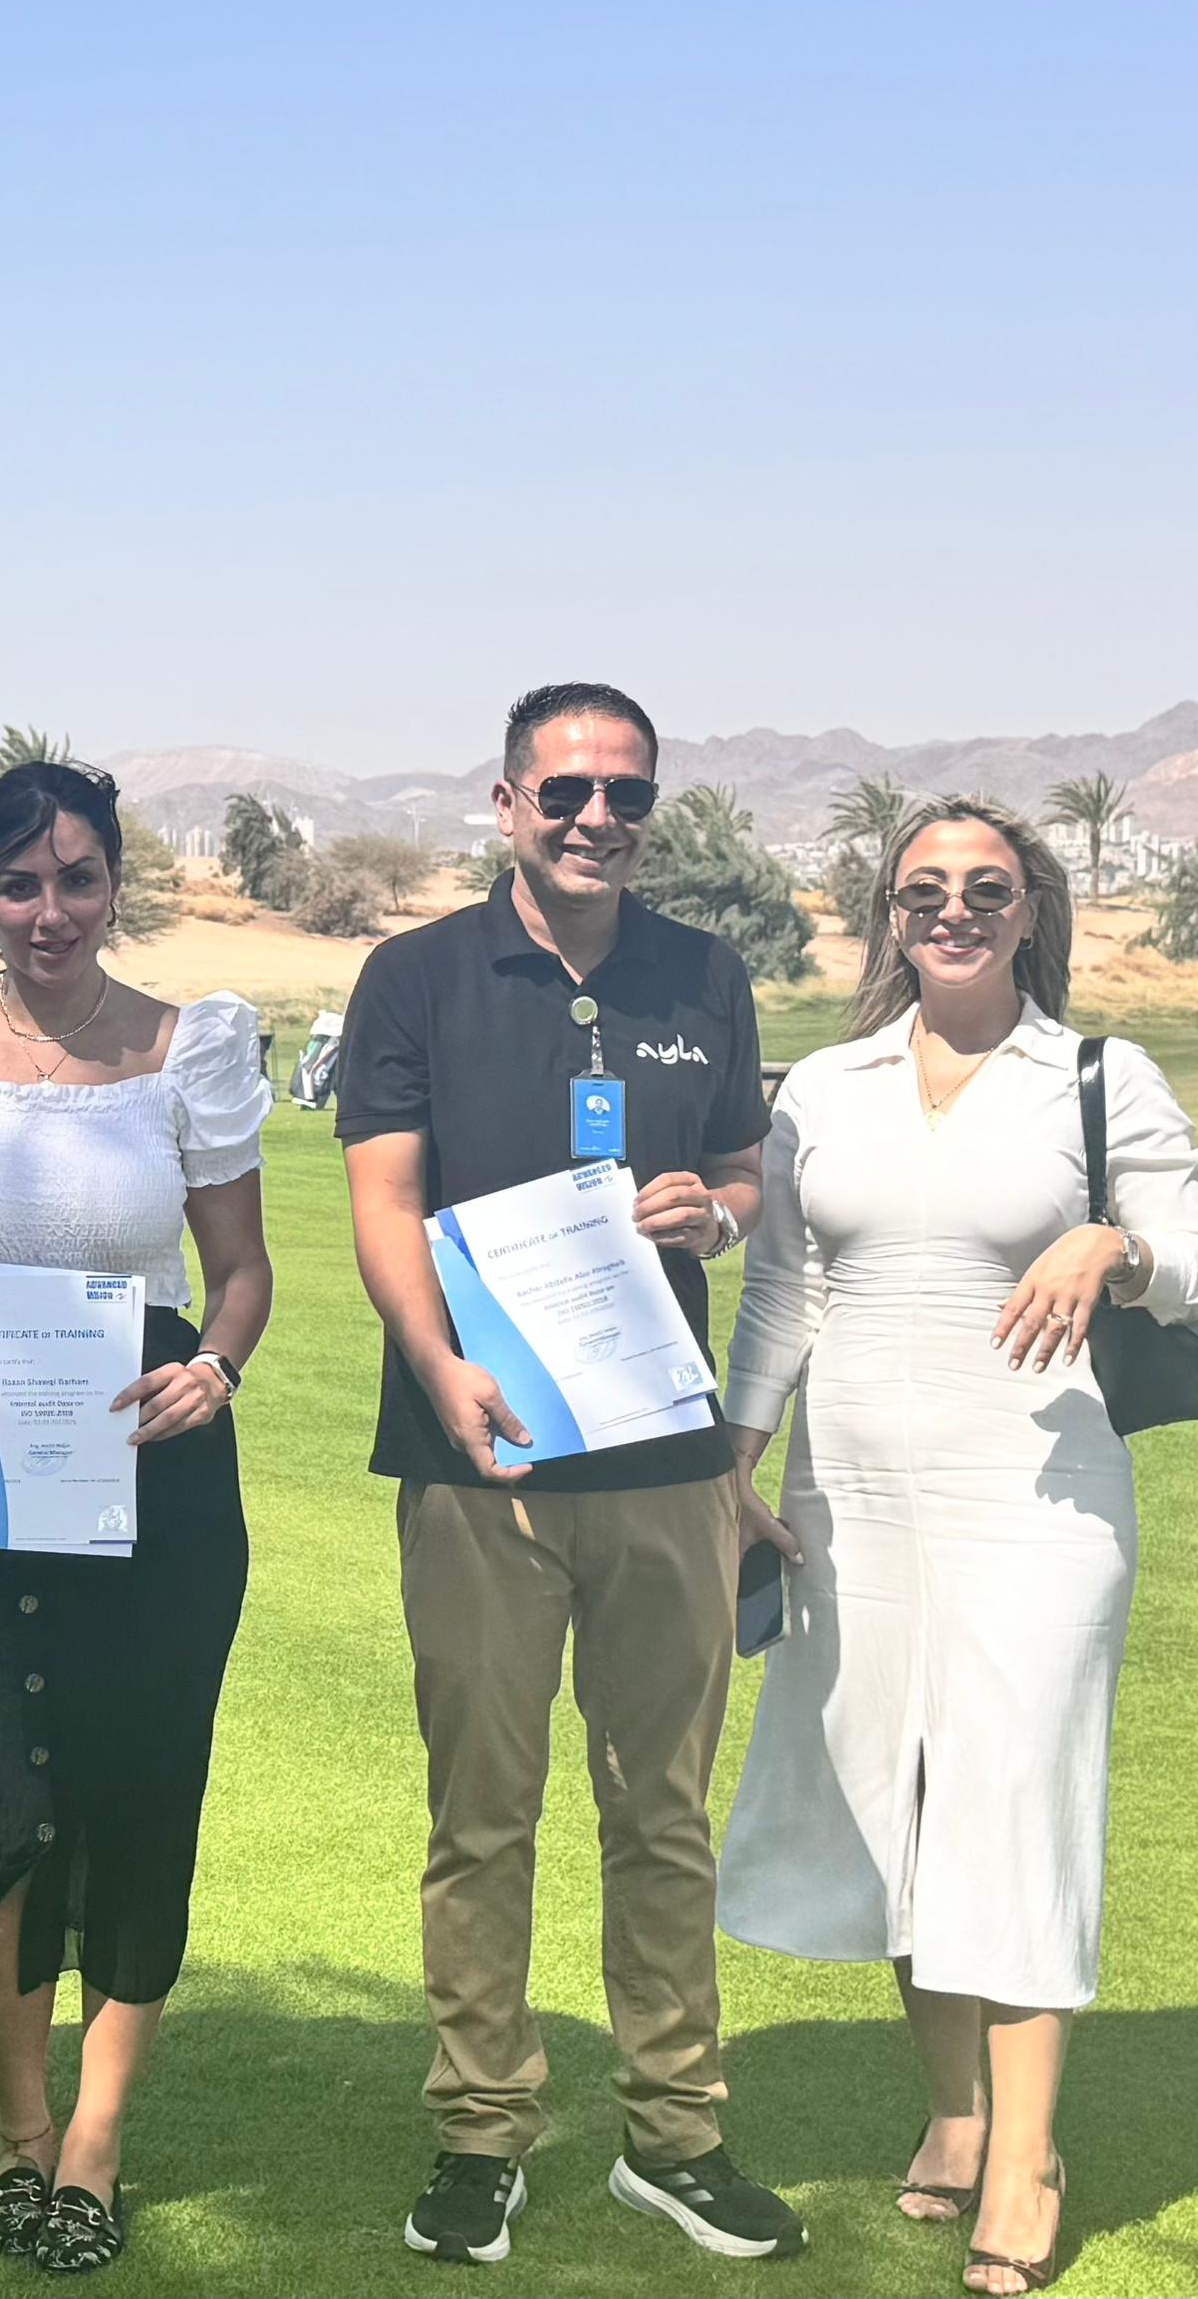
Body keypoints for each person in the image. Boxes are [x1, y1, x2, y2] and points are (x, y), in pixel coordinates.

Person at [716, 800, 1198, 2296]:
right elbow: (783, 1293)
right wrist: (732, 1461)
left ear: (1030, 911)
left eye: (986, 889)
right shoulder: (826, 1083)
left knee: (1016, 1798)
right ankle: (953, 2110)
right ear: (890, 912)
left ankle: (1026, 2154)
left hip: (1038, 1499)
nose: (954, 910)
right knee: (896, 1794)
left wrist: (1116, 1245)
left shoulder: (1098, 1076)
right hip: (849, 1495)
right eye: (924, 888)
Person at [335, 681, 807, 2268]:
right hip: (483, 1453)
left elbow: (741, 1168)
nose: (598, 817)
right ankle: (483, 2132)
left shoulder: (703, 973)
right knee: (483, 1812)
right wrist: (436, 1367)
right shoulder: (417, 976)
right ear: (508, 803)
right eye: (567, 792)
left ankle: (675, 2135)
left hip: (662, 1459)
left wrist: (718, 1217)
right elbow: (385, 1199)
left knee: (659, 1810)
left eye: (627, 793)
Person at [0, 761, 274, 2277]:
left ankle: (93, 2145)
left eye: (78, 879)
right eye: (20, 883)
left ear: (113, 886)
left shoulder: (188, 1047)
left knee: (134, 1785)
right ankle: (18, 2133)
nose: (50, 911)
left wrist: (215, 1366)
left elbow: (241, 1274)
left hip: (151, 1461)